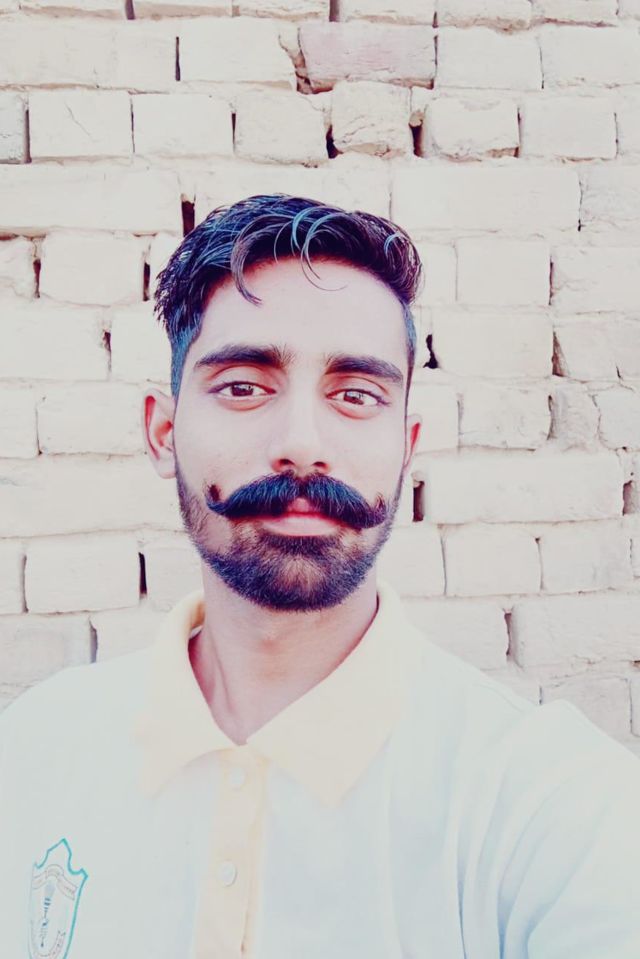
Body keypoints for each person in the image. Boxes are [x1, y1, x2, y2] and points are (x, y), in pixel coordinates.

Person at [1, 195, 639, 959]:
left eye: (356, 395)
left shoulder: (550, 806)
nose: (302, 443)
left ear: (406, 447)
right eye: (243, 385)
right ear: (164, 432)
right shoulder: (33, 752)